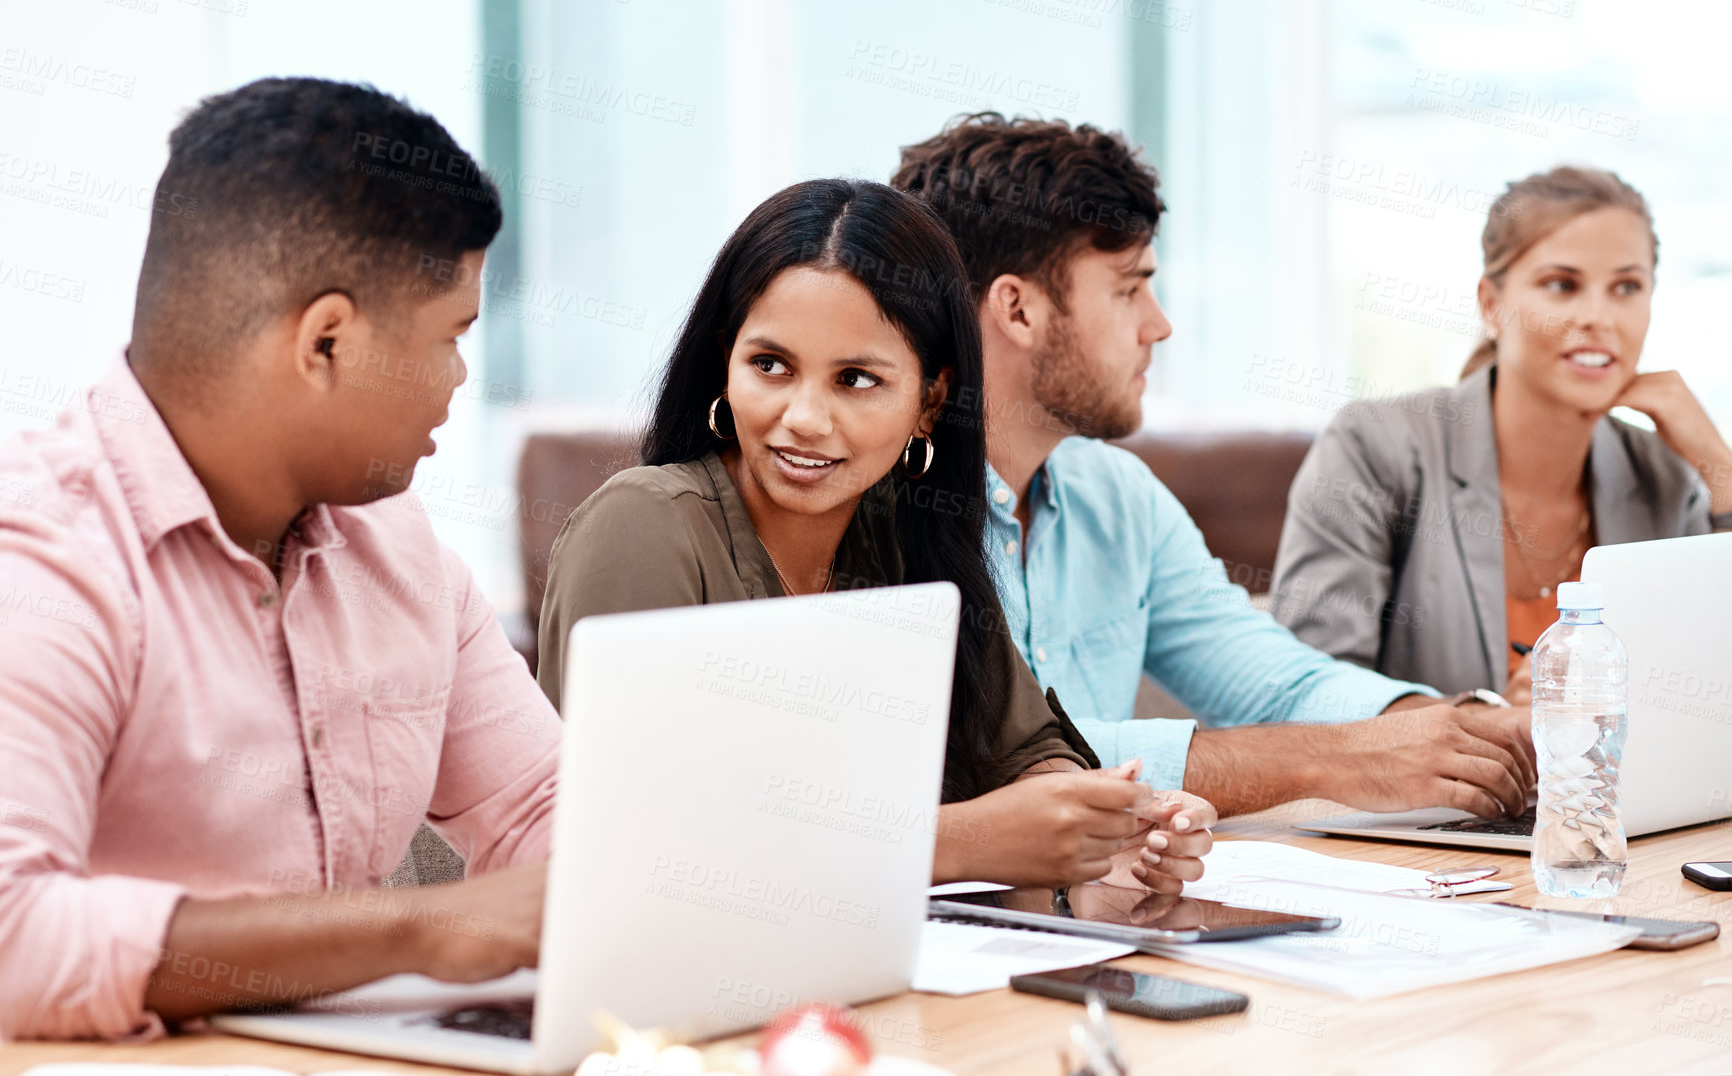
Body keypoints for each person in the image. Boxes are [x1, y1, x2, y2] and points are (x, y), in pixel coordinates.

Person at [0, 78, 560, 1040]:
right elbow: (13, 938)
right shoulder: (44, 563)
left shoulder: (400, 550)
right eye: (452, 337)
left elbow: (541, 806)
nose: (462, 378)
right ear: (327, 342)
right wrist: (414, 929)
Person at [536, 179, 1215, 890]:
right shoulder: (641, 525)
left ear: (930, 403)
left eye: (855, 379)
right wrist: (959, 842)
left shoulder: (909, 534)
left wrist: (1101, 825)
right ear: (724, 363)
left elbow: (1026, 749)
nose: (802, 417)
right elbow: (635, 837)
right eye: (770, 365)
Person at [891, 113, 1535, 819]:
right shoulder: (880, 504)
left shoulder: (1117, 495)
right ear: (1018, 310)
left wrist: (1462, 729)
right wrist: (1335, 760)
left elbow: (1273, 684)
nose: (1159, 324)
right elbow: (989, 762)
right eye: (1129, 288)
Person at [1272, 166, 1732, 700]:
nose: (1598, 317)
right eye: (1562, 285)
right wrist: (1490, 724)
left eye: (1627, 287)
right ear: (1491, 303)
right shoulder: (1372, 446)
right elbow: (1306, 697)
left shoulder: (1666, 474)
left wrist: (1719, 463)